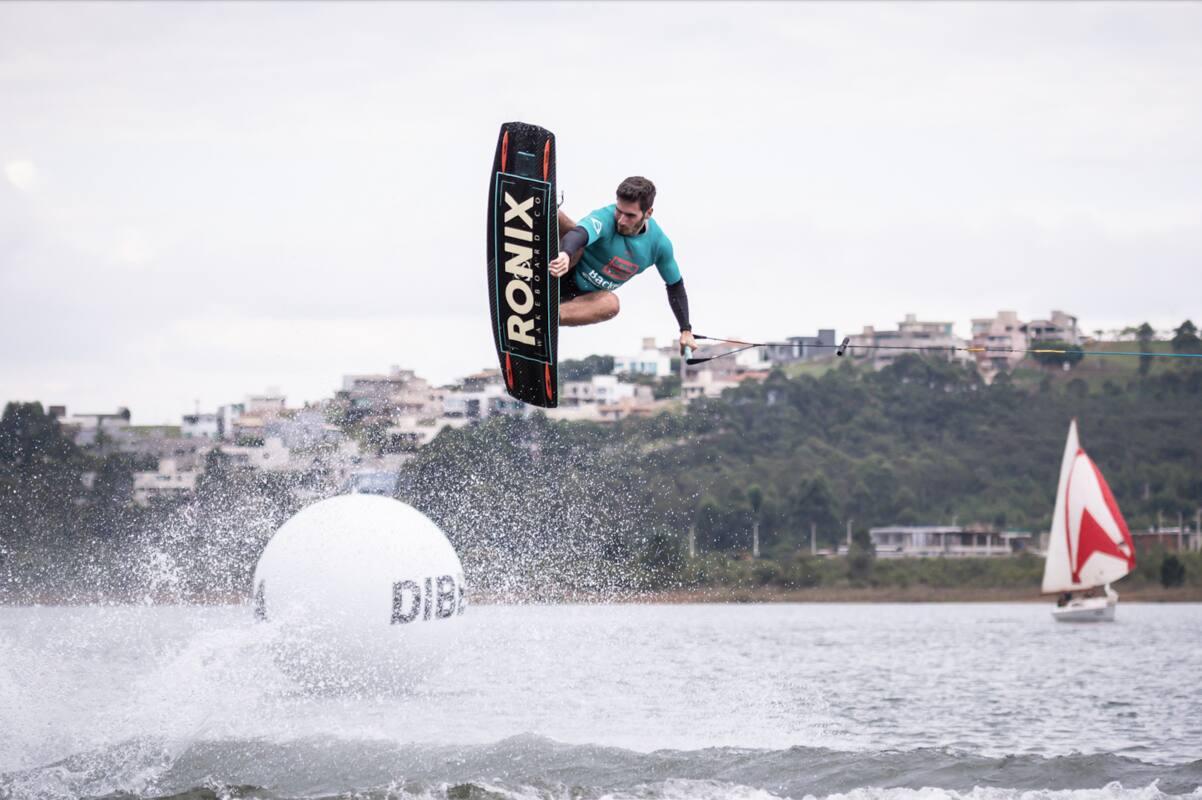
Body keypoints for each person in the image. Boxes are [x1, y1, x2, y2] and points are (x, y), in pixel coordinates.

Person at [548, 176, 697, 355]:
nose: (621, 220)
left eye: (630, 215)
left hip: (580, 299)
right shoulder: (606, 217)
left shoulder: (659, 245)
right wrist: (565, 254)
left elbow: (675, 285)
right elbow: (580, 234)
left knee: (611, 304)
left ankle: (544, 318)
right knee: (561, 219)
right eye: (619, 211)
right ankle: (523, 203)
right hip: (560, 267)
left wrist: (686, 330)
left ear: (648, 213)